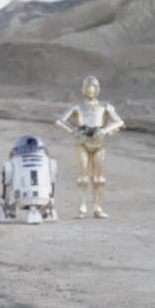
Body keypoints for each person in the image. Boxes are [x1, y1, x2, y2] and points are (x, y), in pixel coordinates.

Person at [55, 75, 125, 218]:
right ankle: (82, 208)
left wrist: (104, 130)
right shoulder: (77, 107)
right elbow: (60, 121)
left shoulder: (105, 106)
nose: (90, 92)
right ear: (84, 90)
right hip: (83, 143)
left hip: (99, 144)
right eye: (87, 89)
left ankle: (98, 208)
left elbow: (119, 122)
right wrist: (74, 131)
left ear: (97, 90)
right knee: (82, 178)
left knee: (99, 179)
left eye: (92, 89)